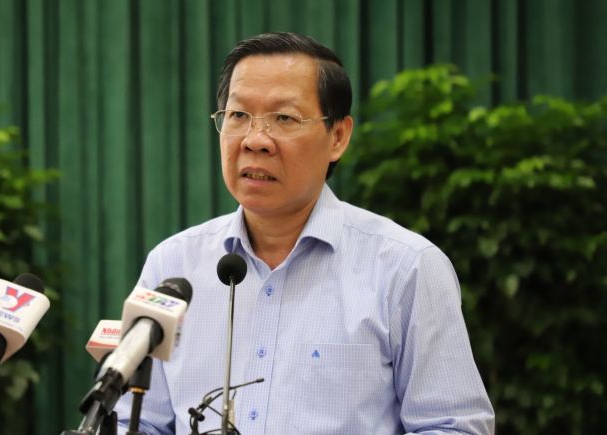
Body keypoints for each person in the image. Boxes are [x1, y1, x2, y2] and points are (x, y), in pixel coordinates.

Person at [115, 32, 495, 434]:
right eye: (238, 116)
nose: (255, 140)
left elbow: (454, 427)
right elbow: (137, 422)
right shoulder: (173, 267)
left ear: (338, 137)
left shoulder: (407, 269)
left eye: (284, 118)